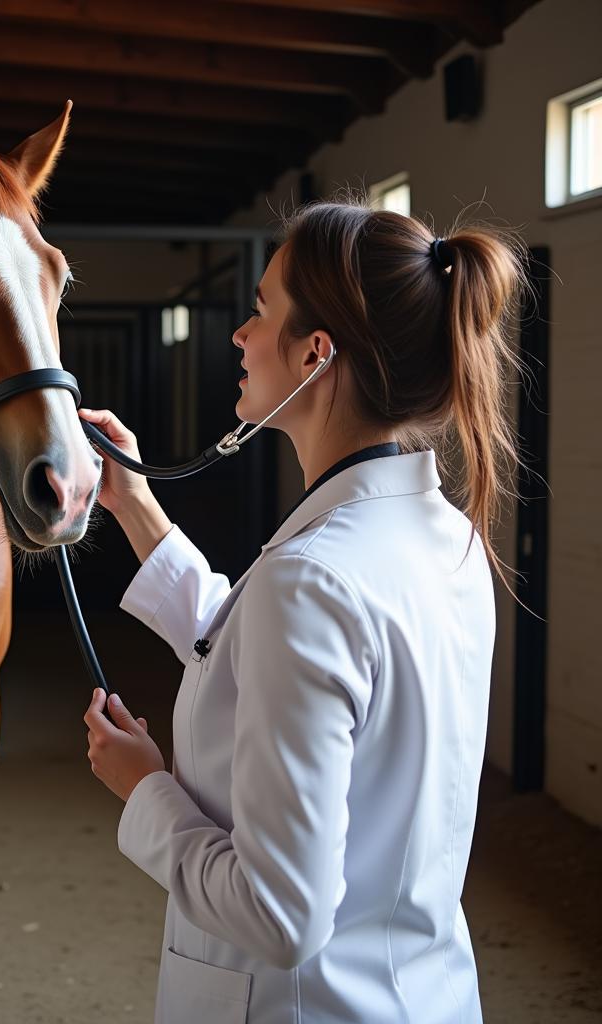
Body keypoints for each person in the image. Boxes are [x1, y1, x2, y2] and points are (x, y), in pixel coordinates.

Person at [79, 195, 529, 1024]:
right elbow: (252, 644)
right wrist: (136, 507)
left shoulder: (314, 577)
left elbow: (280, 917)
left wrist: (146, 789)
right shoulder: (440, 536)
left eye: (259, 314)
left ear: (317, 355)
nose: (241, 338)